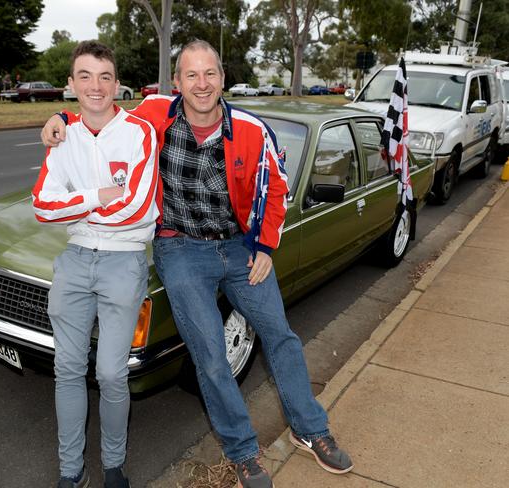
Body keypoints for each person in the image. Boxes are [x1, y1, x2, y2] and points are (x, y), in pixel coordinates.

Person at [41, 39, 352, 488]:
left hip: (239, 248)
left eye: (210, 74)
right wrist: (61, 118)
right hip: (181, 248)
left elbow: (277, 185)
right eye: (191, 75)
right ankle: (244, 454)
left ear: (222, 79)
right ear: (177, 82)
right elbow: (101, 113)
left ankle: (311, 429)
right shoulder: (154, 115)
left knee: (280, 334)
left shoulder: (250, 128)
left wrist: (264, 246)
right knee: (209, 353)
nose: (201, 84)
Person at [32, 40, 159, 488]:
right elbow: (43, 208)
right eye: (84, 76)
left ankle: (113, 465)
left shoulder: (140, 132)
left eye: (104, 76)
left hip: (124, 261)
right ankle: (71, 472)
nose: (95, 86)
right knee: (66, 369)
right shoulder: (64, 136)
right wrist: (95, 197)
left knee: (109, 372)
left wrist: (77, 205)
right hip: (75, 258)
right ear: (71, 85)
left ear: (117, 84)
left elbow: (137, 207)